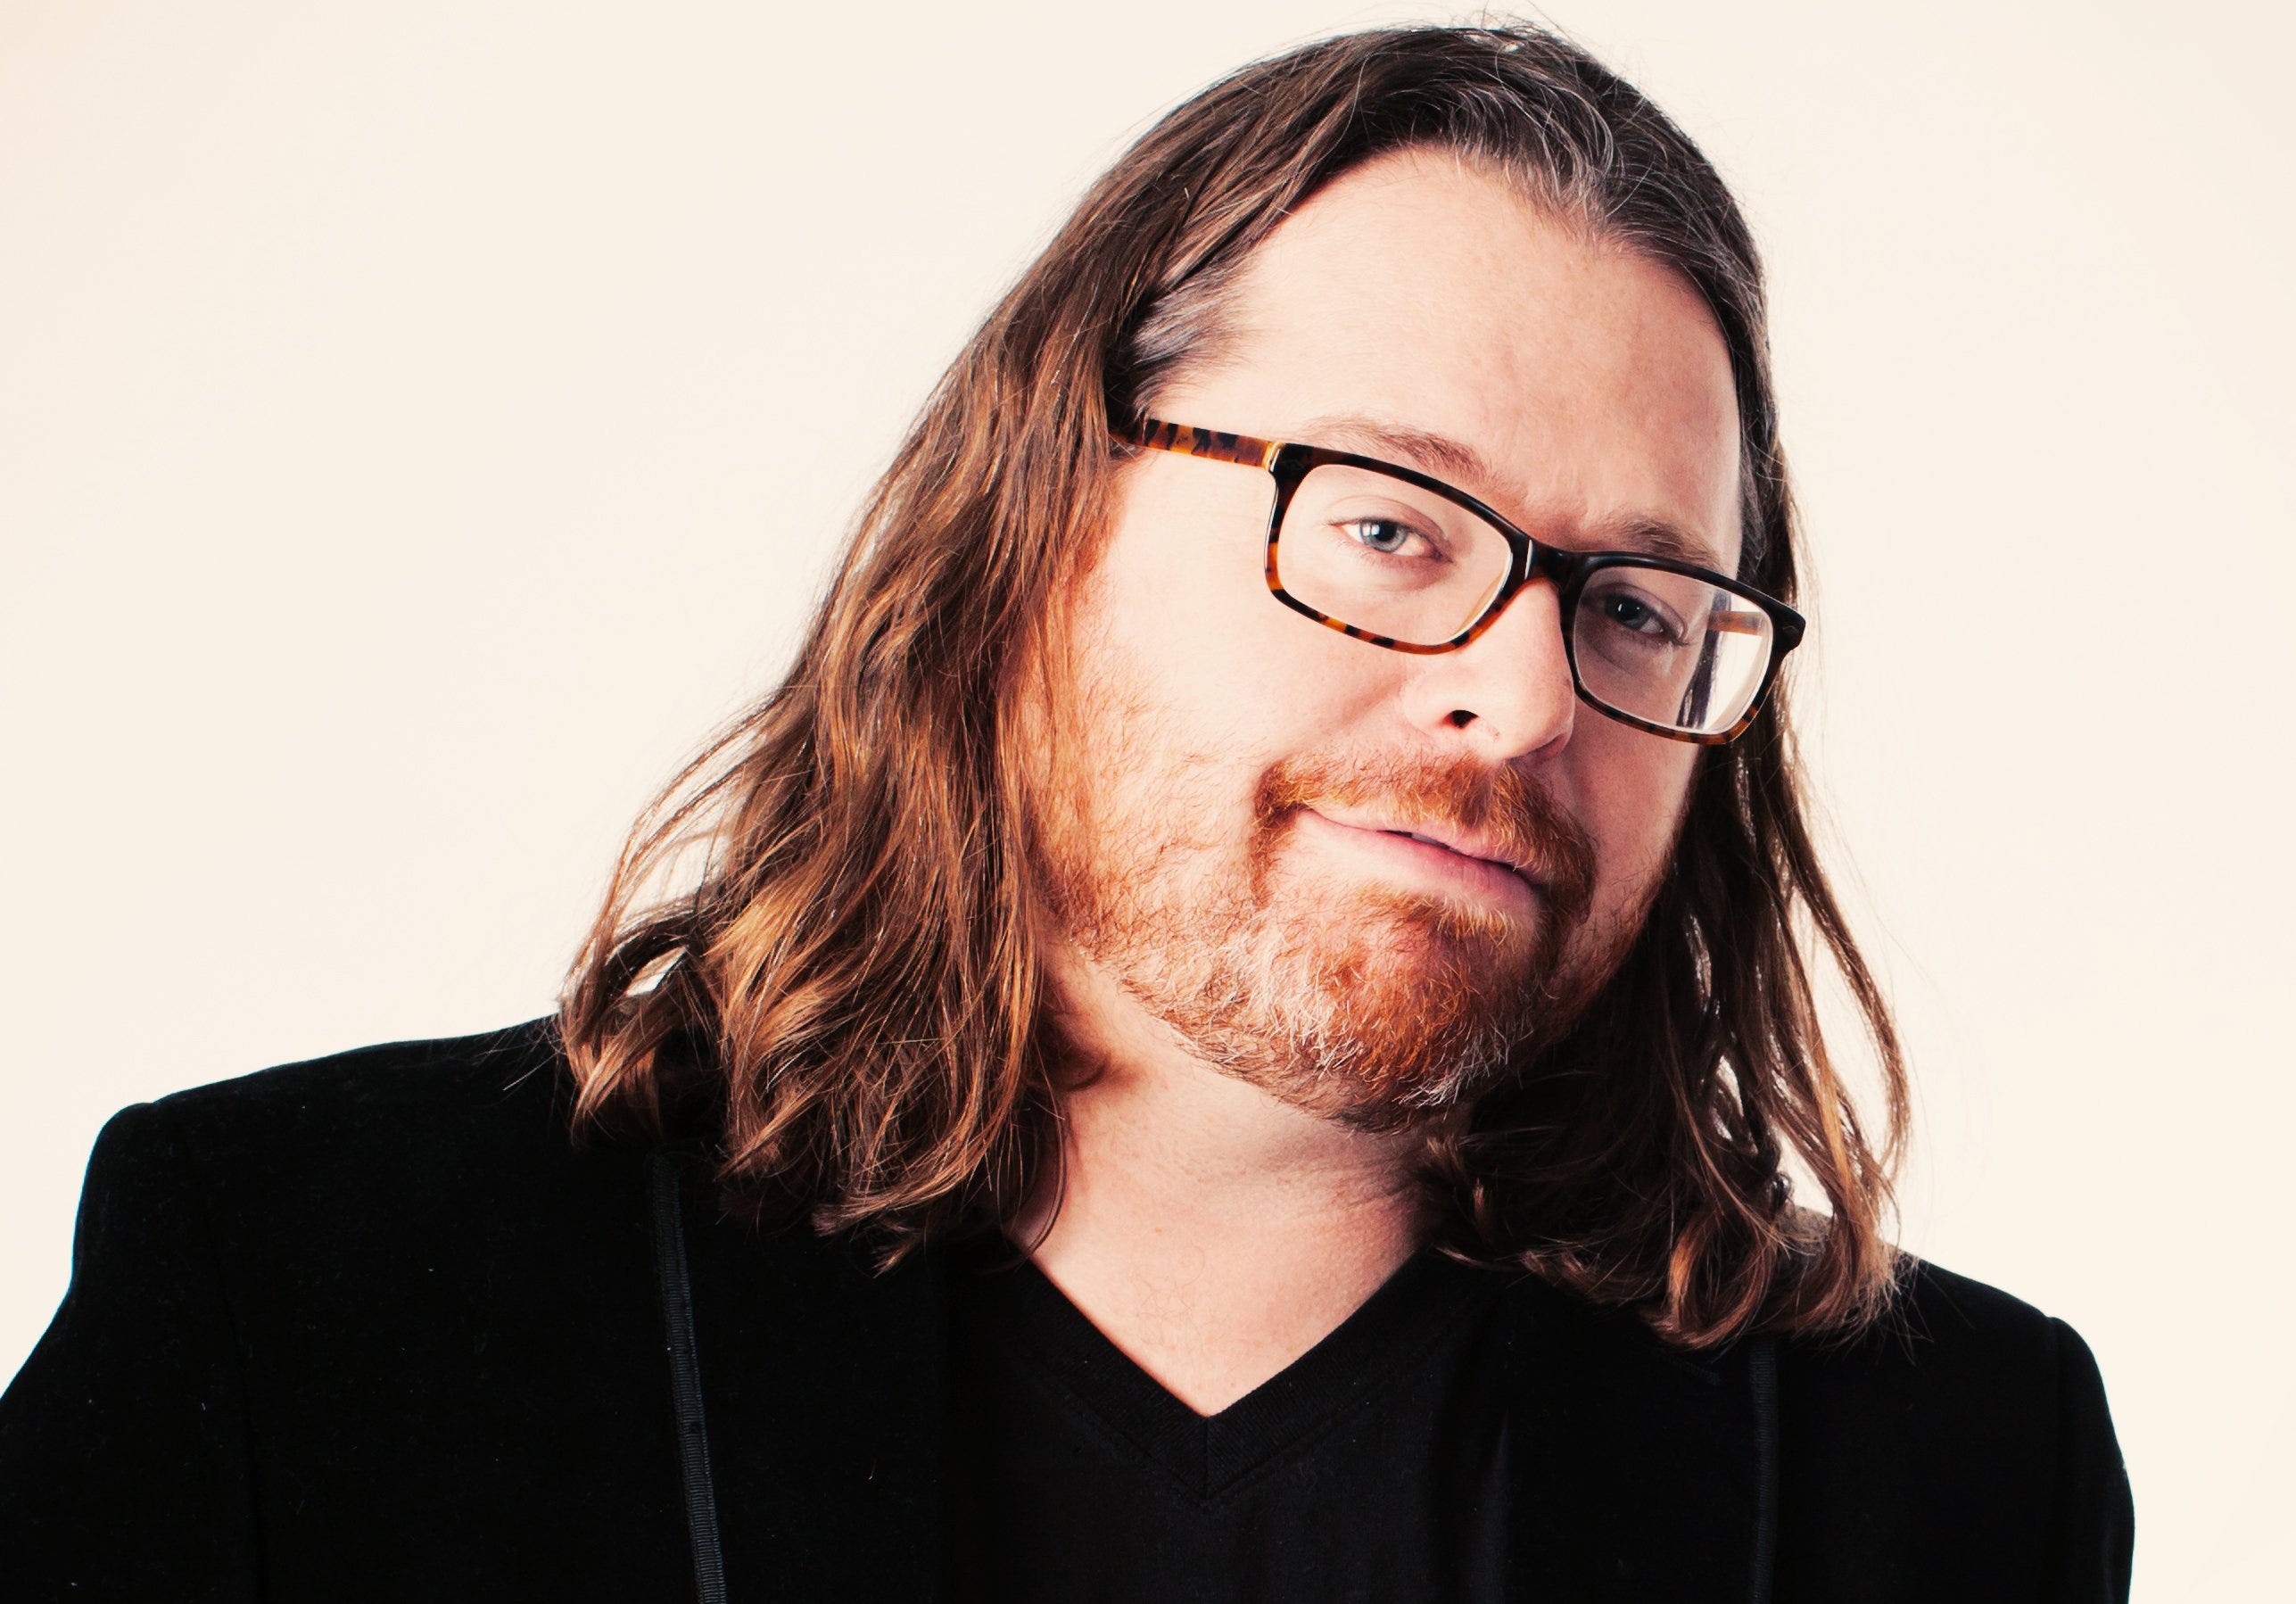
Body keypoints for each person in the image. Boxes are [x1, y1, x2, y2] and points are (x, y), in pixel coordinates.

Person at [0, 21, 2133, 1603]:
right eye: (1389, 522)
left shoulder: (1954, 1468)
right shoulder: (300, 1302)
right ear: (1035, 524)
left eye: (1639, 605)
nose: (1518, 695)